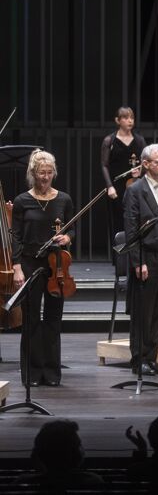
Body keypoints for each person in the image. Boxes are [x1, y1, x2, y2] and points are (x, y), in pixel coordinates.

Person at [10, 149, 74, 387]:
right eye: (41, 173)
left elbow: (71, 229)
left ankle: (52, 372)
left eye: (49, 173)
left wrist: (67, 239)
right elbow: (15, 236)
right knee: (31, 319)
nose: (45, 177)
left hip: (57, 265)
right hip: (29, 263)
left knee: (53, 318)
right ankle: (32, 372)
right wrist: (17, 267)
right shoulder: (22, 201)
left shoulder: (64, 199)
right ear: (33, 173)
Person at [124, 143, 158, 377]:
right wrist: (138, 262)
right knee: (143, 313)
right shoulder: (135, 190)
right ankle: (139, 360)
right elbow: (131, 229)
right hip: (147, 257)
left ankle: (152, 357)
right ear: (146, 165)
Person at [100, 106, 145, 240]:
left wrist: (140, 171)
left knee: (136, 218)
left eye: (132, 117)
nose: (130, 121)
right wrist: (109, 186)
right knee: (117, 220)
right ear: (117, 120)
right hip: (116, 187)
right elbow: (104, 165)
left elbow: (145, 162)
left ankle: (135, 257)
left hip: (135, 185)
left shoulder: (139, 140)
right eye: (125, 118)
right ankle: (118, 258)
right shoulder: (110, 140)